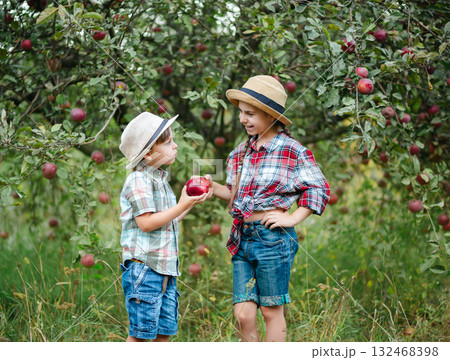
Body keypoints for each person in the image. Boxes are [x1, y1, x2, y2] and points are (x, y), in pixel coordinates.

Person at [205, 75, 330, 341]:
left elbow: (318, 187)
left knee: (271, 312)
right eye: (241, 113)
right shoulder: (239, 153)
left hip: (272, 238)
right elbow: (233, 196)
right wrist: (210, 186)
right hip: (242, 236)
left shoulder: (292, 151)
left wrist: (293, 217)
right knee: (242, 315)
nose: (243, 119)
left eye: (250, 113)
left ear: (270, 116)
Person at [118, 112, 211, 342]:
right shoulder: (138, 180)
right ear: (148, 154)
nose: (175, 145)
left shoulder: (159, 179)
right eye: (168, 142)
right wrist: (182, 204)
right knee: (140, 336)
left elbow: (167, 221)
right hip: (145, 270)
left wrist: (189, 201)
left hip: (165, 272)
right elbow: (147, 223)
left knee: (163, 334)